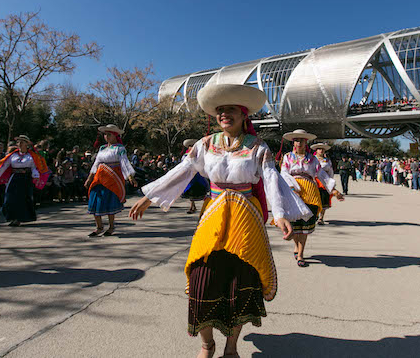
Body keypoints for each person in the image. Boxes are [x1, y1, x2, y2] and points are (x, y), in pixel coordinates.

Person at [129, 84, 312, 358]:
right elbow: (184, 170)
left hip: (245, 217)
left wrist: (280, 214)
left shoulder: (258, 147)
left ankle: (230, 348)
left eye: (230, 109)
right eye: (220, 110)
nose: (224, 114)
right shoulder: (205, 144)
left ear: (243, 114)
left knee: (241, 282)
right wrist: (150, 196)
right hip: (213, 214)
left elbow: (272, 179)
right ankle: (207, 344)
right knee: (201, 279)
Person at [281, 130, 344, 266]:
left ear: (306, 142)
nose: (299, 143)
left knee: (305, 223)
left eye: (302, 140)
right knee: (294, 223)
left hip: (310, 191)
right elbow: (284, 173)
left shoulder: (312, 159)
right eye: (297, 140)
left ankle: (301, 255)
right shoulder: (287, 157)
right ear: (293, 142)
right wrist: (293, 188)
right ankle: (297, 247)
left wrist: (333, 190)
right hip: (293, 190)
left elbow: (321, 175)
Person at [0, 135, 49, 226]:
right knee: (9, 197)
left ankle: (19, 218)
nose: (19, 144)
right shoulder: (12, 155)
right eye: (18, 142)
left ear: (27, 144)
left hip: (26, 179)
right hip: (14, 178)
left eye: (22, 142)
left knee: (23, 199)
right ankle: (12, 217)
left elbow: (35, 167)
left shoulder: (32, 156)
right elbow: (2, 167)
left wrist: (35, 175)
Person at [84, 124, 137, 237]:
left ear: (114, 136)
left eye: (109, 134)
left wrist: (130, 176)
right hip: (99, 177)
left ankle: (111, 227)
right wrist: (90, 177)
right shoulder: (102, 148)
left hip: (112, 178)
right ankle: (99, 227)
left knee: (108, 201)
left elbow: (124, 163)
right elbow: (96, 163)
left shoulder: (119, 148)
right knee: (95, 199)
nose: (106, 136)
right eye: (105, 134)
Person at [180, 138, 208, 214]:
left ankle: (205, 207)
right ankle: (192, 207)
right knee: (191, 191)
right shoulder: (185, 156)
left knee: (201, 190)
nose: (191, 147)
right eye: (190, 146)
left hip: (198, 174)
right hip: (190, 175)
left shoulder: (199, 155)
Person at [311, 143, 335, 225]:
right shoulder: (311, 159)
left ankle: (321, 217)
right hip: (314, 181)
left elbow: (331, 172)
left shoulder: (327, 161)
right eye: (319, 149)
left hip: (324, 181)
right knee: (314, 199)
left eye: (322, 149)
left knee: (323, 199)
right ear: (316, 150)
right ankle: (315, 215)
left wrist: (331, 182)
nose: (321, 150)